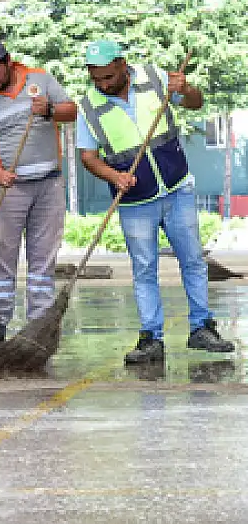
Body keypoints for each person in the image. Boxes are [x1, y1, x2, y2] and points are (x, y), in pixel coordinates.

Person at [77, 39, 234, 364]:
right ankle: (151, 338)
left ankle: (202, 328)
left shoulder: (154, 78)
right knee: (144, 269)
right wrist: (114, 176)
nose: (103, 84)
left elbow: (195, 103)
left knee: (192, 260)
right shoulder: (88, 106)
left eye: (108, 76)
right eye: (97, 79)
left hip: (177, 188)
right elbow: (88, 157)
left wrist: (186, 88)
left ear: (122, 65)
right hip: (135, 200)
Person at [0, 39, 77, 348]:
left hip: (48, 184)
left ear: (8, 62)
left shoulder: (39, 79)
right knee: (2, 254)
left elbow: (71, 111)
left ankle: (39, 322)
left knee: (43, 257)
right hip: (8, 186)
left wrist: (50, 110)